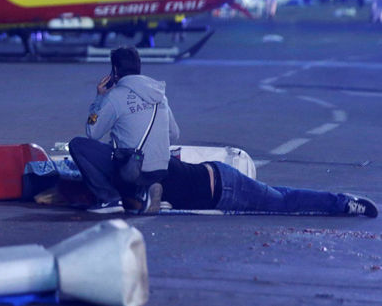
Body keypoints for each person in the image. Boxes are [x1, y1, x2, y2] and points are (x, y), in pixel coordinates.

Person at [68, 46, 179, 214]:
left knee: (78, 145)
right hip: (160, 170)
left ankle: (109, 198)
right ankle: (143, 192)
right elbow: (174, 134)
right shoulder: (160, 96)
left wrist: (99, 98)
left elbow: (92, 132)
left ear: (114, 70)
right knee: (123, 151)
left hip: (132, 170)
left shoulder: (115, 96)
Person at [159, 155, 377, 217]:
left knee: (284, 202)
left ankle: (344, 203)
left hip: (226, 188)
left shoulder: (144, 168)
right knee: (280, 197)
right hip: (220, 183)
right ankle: (340, 202)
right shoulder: (148, 156)